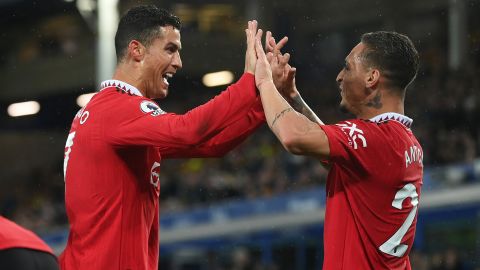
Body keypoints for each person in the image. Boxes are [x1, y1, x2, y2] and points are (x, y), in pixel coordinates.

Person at [60, 5, 265, 270]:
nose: (178, 62)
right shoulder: (118, 109)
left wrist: (263, 101)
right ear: (137, 50)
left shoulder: (100, 113)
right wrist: (248, 81)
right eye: (170, 49)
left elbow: (209, 145)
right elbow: (188, 130)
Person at [254, 29, 423, 269]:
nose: (339, 76)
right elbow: (334, 154)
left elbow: (293, 137)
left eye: (348, 67)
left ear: (371, 78)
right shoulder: (405, 143)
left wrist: (264, 81)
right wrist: (291, 96)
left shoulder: (375, 139)